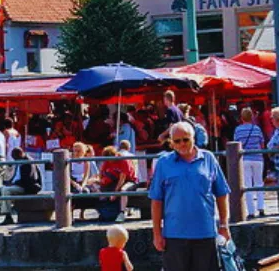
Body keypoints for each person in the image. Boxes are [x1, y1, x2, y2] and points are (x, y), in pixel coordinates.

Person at [149, 121, 230, 271]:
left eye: (186, 139)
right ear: (171, 142)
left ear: (194, 138)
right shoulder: (163, 163)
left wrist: (224, 225)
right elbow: (156, 200)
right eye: (177, 141)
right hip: (174, 234)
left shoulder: (209, 159)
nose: (182, 144)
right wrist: (157, 233)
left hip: (205, 232)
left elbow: (222, 193)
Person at [0, 147, 41, 226]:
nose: (15, 160)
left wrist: (14, 183)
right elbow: (16, 176)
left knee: (6, 190)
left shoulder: (28, 162)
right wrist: (9, 183)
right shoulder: (19, 161)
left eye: (16, 158)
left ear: (21, 154)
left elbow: (29, 180)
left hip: (25, 187)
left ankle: (8, 216)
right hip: (16, 184)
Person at [233, 108, 266, 219]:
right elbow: (262, 144)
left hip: (245, 158)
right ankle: (261, 208)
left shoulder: (238, 130)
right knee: (259, 183)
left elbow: (237, 145)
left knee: (247, 185)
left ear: (241, 118)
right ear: (252, 117)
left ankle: (251, 211)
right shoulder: (257, 129)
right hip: (258, 158)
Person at [99, 145, 137, 223]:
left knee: (123, 190)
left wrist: (115, 193)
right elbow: (101, 174)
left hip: (129, 181)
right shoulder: (107, 161)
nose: (109, 161)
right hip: (114, 181)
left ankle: (122, 213)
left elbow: (122, 179)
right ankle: (103, 212)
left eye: (110, 159)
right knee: (97, 188)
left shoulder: (123, 160)